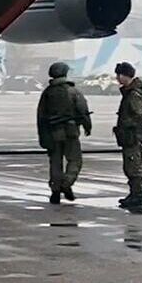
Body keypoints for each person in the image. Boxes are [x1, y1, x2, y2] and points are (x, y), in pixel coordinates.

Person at [36, 61, 93, 204]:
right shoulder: (73, 91)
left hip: (53, 133)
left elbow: (41, 116)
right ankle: (66, 184)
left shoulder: (47, 93)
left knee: (55, 163)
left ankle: (55, 191)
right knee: (75, 160)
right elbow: (83, 109)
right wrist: (87, 126)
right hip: (70, 131)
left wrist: (43, 136)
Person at [113, 62, 142, 214]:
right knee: (129, 167)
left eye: (118, 75)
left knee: (134, 167)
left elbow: (140, 116)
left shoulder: (134, 94)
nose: (117, 78)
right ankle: (134, 194)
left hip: (132, 136)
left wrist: (126, 124)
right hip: (128, 136)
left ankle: (137, 196)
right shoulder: (129, 92)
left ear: (124, 75)